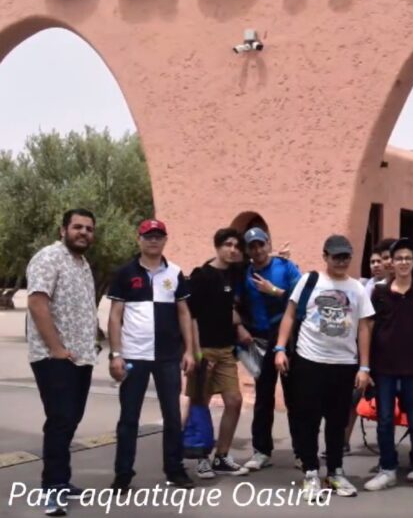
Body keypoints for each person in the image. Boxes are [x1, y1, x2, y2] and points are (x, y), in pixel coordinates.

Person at [274, 234, 374, 497]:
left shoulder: (357, 289)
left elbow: (364, 328)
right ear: (325, 256)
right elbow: (290, 314)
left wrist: (364, 367)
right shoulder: (310, 281)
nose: (341, 261)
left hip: (344, 364)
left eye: (346, 256)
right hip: (309, 361)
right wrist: (280, 348)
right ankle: (310, 472)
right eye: (336, 256)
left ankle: (335, 472)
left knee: (338, 422)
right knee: (308, 419)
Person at [107, 219, 196, 491]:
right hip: (134, 356)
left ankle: (175, 470)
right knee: (128, 419)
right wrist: (116, 354)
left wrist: (190, 350)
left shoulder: (175, 273)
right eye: (148, 236)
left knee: (173, 417)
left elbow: (184, 313)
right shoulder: (125, 273)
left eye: (158, 236)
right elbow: (115, 316)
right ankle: (123, 475)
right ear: (139, 239)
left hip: (168, 357)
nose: (153, 240)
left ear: (165, 240)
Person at [26, 209, 98, 516]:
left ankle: (62, 480)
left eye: (89, 229)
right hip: (54, 356)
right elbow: (36, 302)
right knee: (60, 419)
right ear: (63, 230)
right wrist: (56, 348)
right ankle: (52, 488)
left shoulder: (83, 264)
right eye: (77, 227)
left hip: (81, 356)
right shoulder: (48, 257)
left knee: (70, 419)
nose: (83, 233)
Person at [363, 238, 413, 496]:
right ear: (391, 263)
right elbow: (368, 329)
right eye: (399, 258)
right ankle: (387, 469)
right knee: (384, 421)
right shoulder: (379, 293)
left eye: (408, 258)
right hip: (383, 368)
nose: (403, 262)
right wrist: (365, 367)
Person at [186, 228, 250, 479]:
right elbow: (190, 316)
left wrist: (240, 327)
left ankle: (221, 456)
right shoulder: (201, 275)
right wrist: (196, 352)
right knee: (200, 403)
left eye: (236, 246)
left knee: (234, 401)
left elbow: (229, 308)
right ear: (217, 246)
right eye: (228, 244)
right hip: (205, 350)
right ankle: (201, 457)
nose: (232, 250)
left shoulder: (234, 273)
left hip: (226, 351)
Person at [239, 227, 302, 471]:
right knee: (263, 397)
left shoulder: (286, 267)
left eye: (261, 244)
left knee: (294, 397)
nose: (257, 250)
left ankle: (302, 451)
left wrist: (274, 291)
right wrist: (239, 328)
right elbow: (235, 302)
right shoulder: (244, 273)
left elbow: (302, 299)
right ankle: (261, 451)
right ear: (248, 250)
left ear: (268, 244)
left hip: (286, 338)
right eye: (252, 246)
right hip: (258, 340)